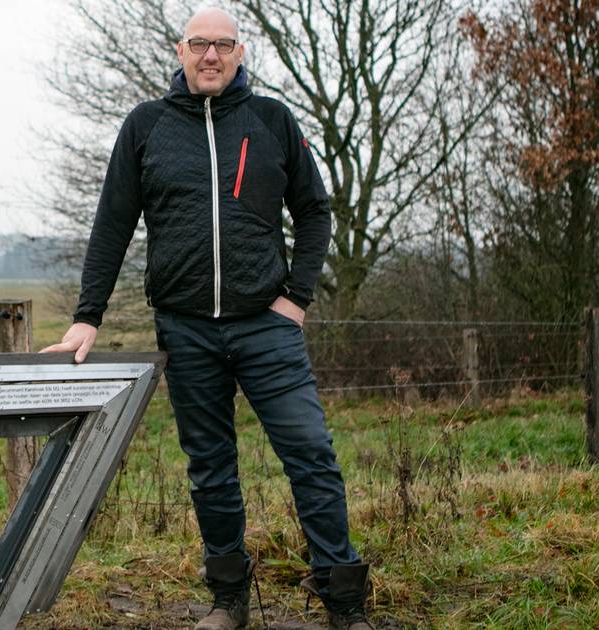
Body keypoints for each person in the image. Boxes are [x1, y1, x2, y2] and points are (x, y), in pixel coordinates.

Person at [41, 7, 373, 630]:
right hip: (187, 329)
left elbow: (315, 210)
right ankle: (228, 602)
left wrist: (296, 299)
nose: (211, 56)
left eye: (223, 45)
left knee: (310, 454)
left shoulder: (272, 120)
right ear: (182, 50)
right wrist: (88, 317)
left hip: (266, 326)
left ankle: (345, 603)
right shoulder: (146, 126)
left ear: (240, 53)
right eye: (200, 45)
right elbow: (112, 223)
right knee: (211, 469)